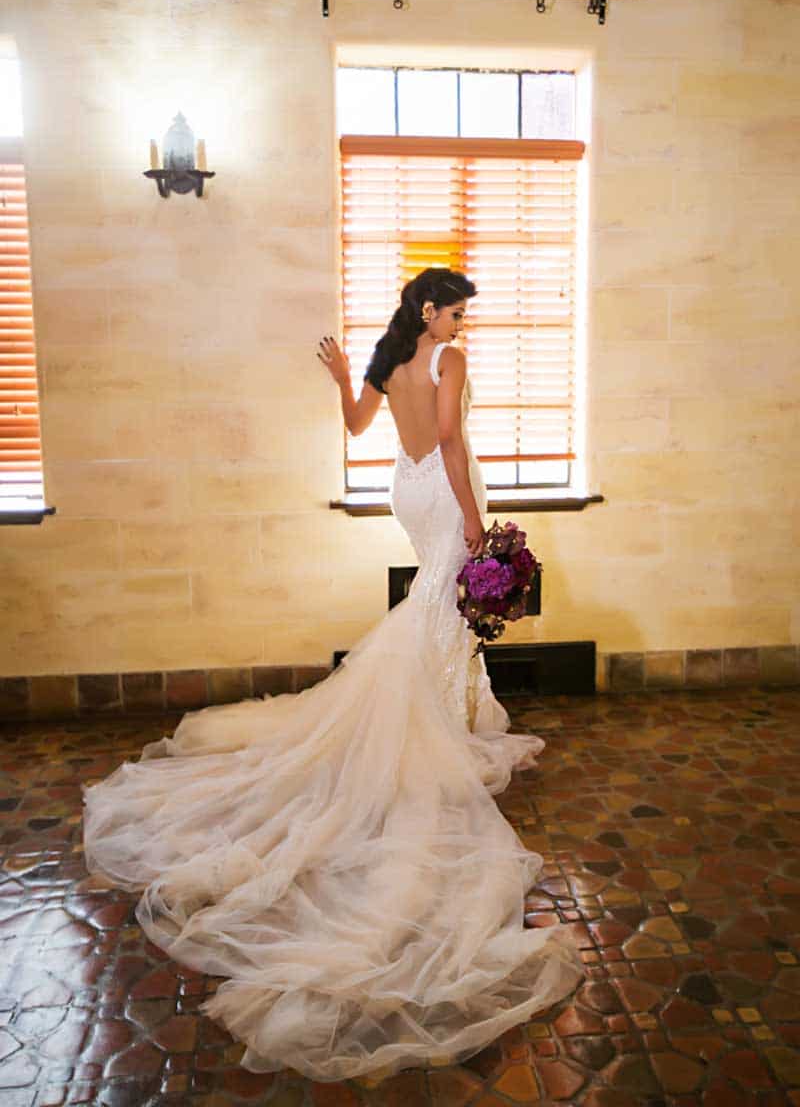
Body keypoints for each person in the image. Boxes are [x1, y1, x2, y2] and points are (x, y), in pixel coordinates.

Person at [81, 268, 583, 1084]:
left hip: (402, 489)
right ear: (431, 310)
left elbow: (358, 427)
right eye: (457, 312)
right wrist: (474, 523)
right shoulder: (445, 364)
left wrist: (346, 376)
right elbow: (452, 440)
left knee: (439, 608)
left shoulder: (389, 363)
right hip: (444, 492)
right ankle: (419, 720)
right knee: (440, 608)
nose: (462, 326)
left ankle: (451, 712)